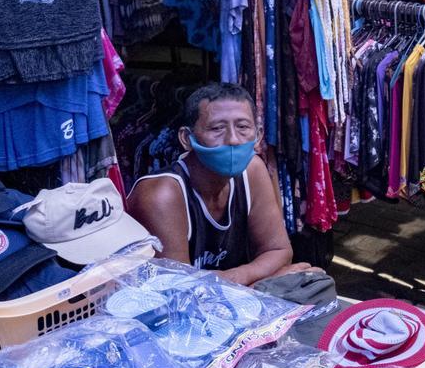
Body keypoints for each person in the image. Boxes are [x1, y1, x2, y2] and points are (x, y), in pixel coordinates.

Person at [128, 83, 313, 285]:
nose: (233, 140)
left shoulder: (252, 170)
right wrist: (262, 281)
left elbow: (279, 251)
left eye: (243, 127)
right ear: (186, 138)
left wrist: (234, 279)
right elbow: (179, 290)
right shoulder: (162, 195)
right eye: (217, 128)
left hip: (231, 301)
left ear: (258, 134)